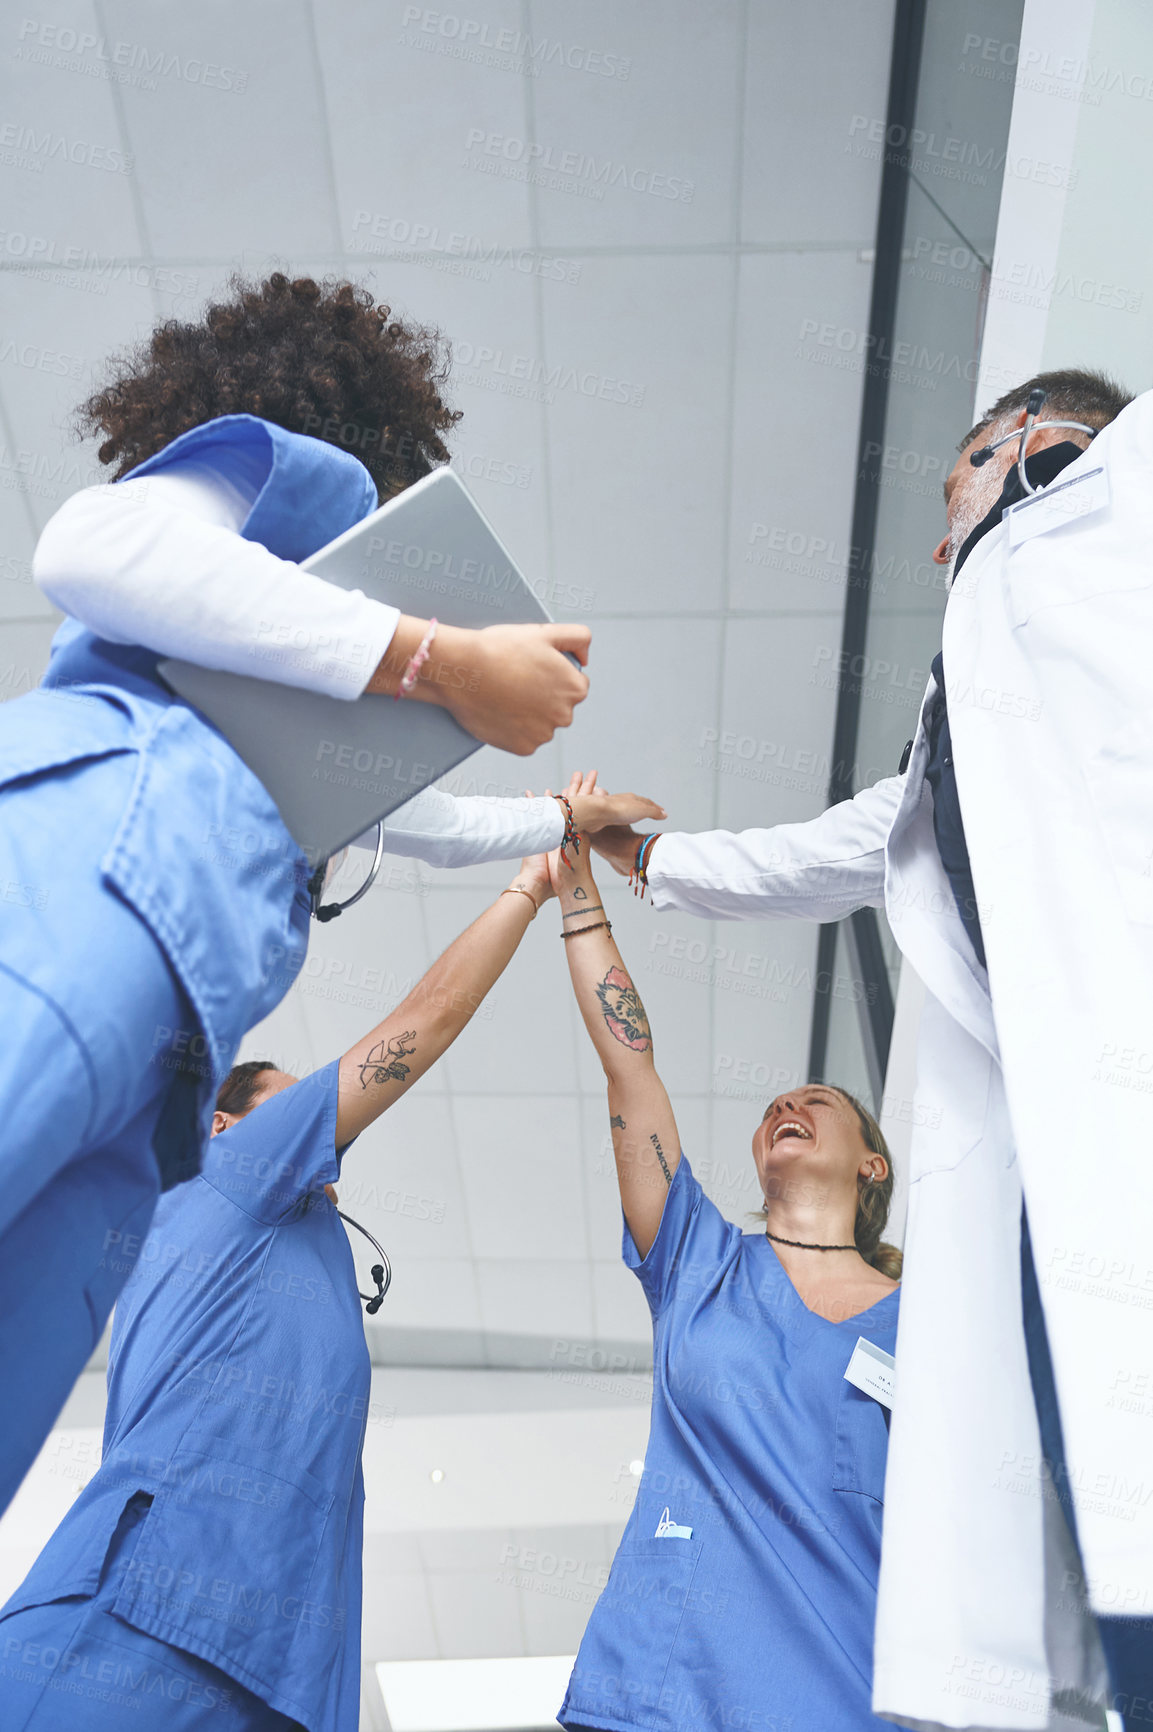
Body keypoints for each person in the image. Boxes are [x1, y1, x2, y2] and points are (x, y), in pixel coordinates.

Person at [0, 272, 663, 1515]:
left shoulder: (309, 716)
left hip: (168, 1045)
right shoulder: (311, 487)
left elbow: (435, 822)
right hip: (91, 860)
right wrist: (442, 657)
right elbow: (87, 546)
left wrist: (572, 817)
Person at [587, 368, 1152, 1729]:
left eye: (953, 481)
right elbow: (828, 850)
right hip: (1060, 1166)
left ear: (1027, 443)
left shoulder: (1111, 529)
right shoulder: (962, 720)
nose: (938, 528)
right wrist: (641, 858)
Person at [0, 848, 560, 1731]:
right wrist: (532, 882)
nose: (324, 1140)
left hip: (276, 1671)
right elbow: (428, 1020)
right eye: (293, 1110)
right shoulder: (225, 1172)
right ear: (220, 1127)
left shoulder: (291, 1242)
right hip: (137, 1625)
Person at [541, 832, 900, 1731]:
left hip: (848, 1696)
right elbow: (629, 1065)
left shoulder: (932, 1325)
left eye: (818, 1102)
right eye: (776, 1104)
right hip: (663, 1689)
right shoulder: (698, 1261)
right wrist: (575, 890)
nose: (787, 1105)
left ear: (872, 1167)